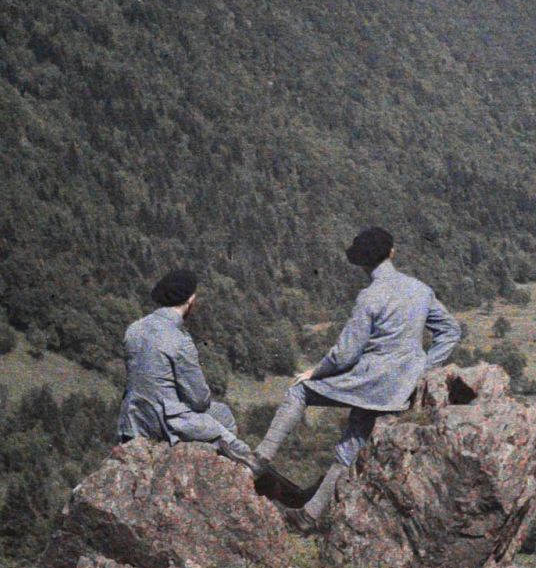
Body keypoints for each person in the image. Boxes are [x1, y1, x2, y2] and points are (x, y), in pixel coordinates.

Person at [255, 227, 462, 530]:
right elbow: (451, 331)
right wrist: (423, 368)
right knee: (353, 443)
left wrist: (315, 372)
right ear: (392, 253)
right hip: (402, 387)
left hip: (370, 382)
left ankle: (259, 459)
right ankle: (308, 515)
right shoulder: (420, 289)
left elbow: (345, 355)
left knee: (299, 391)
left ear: (363, 264)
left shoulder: (369, 296)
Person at [114, 269, 263, 474]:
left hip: (134, 420)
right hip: (165, 423)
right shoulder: (180, 340)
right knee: (230, 430)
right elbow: (199, 400)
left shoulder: (133, 329)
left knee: (219, 415)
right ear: (190, 299)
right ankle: (231, 475)